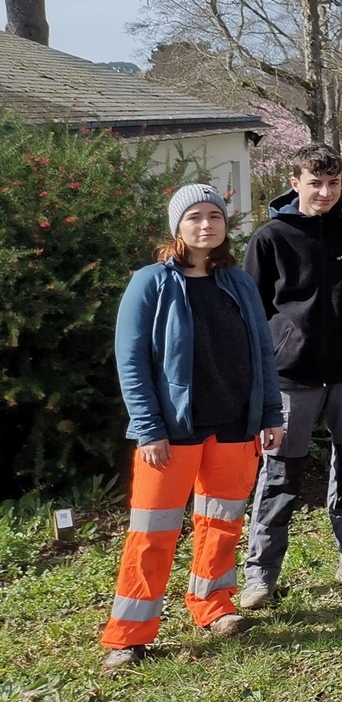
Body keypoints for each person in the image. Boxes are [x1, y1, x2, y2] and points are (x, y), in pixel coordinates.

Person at [101, 185, 285, 672]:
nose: (206, 225)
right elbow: (132, 361)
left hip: (233, 426)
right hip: (171, 433)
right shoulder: (151, 282)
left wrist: (270, 414)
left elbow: (262, 354)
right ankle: (129, 636)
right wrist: (148, 427)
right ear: (176, 227)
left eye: (214, 217)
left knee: (222, 523)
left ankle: (213, 605)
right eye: (195, 217)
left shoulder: (238, 282)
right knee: (152, 531)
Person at [239, 144, 342, 608]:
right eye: (315, 183)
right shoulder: (271, 238)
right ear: (295, 183)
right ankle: (261, 576)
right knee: (280, 476)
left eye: (333, 184)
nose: (325, 192)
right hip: (291, 378)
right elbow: (254, 309)